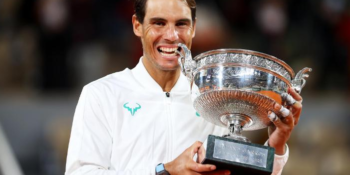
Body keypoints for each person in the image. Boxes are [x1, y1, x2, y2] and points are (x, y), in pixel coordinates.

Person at [65, 0, 303, 174]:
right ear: (137, 25)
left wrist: (277, 144)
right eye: (159, 23)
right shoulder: (101, 95)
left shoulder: (215, 99)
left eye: (181, 24)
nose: (171, 36)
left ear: (194, 27)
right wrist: (163, 171)